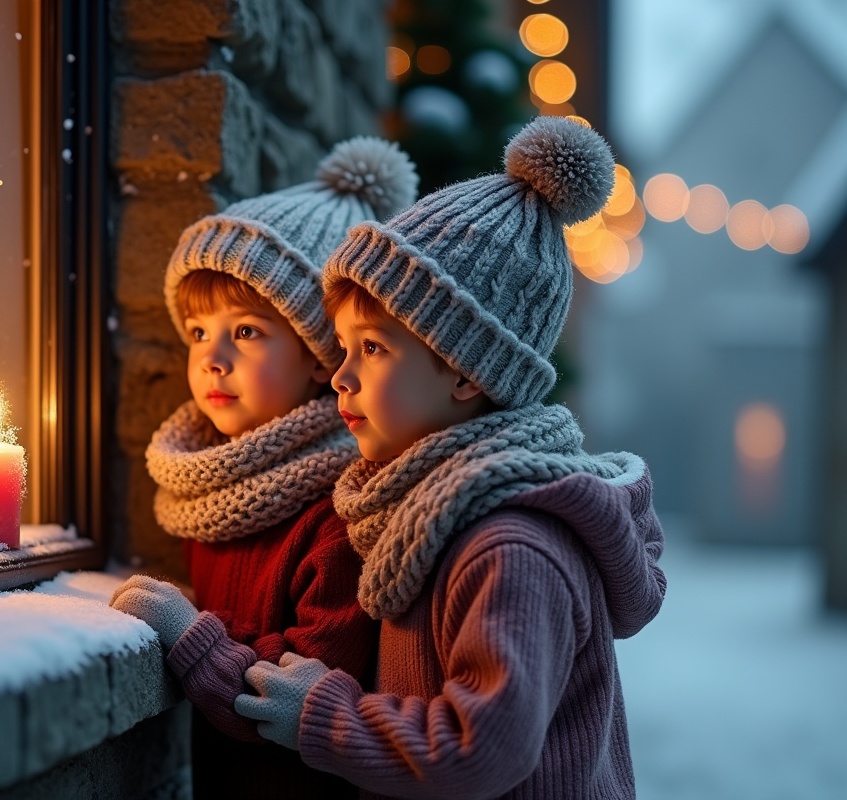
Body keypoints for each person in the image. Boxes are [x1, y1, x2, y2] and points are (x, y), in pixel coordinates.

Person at [233, 116, 668, 800]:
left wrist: (327, 715)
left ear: (467, 372)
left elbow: (480, 747)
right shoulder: (422, 512)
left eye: (372, 348)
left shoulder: (510, 545)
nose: (340, 376)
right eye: (342, 349)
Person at [109, 137, 419, 798]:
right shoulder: (213, 487)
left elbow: (300, 690)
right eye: (198, 332)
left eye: (245, 332)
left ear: (319, 356)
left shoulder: (339, 513)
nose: (212, 358)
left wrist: (190, 637)